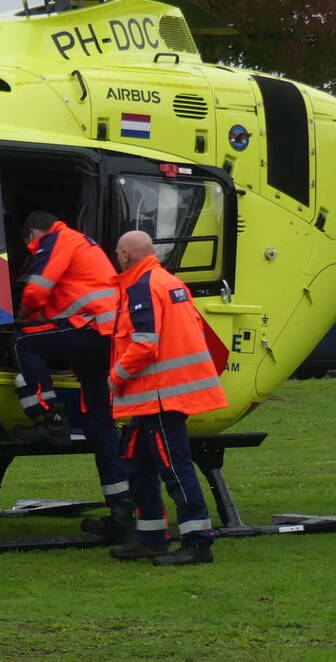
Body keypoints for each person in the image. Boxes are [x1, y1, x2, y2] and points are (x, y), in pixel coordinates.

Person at [108, 230, 228, 566]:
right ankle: (150, 537)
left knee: (174, 469)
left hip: (159, 396)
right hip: (162, 395)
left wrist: (116, 376)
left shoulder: (142, 285)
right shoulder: (168, 282)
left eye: (118, 252)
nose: (117, 258)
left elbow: (145, 344)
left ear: (126, 254)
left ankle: (198, 542)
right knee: (135, 461)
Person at [12, 210, 131, 535]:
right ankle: (123, 510)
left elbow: (36, 291)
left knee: (24, 342)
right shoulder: (81, 244)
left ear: (33, 233)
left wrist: (21, 316)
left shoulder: (56, 239)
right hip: (107, 338)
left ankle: (49, 419)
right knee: (99, 424)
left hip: (94, 330)